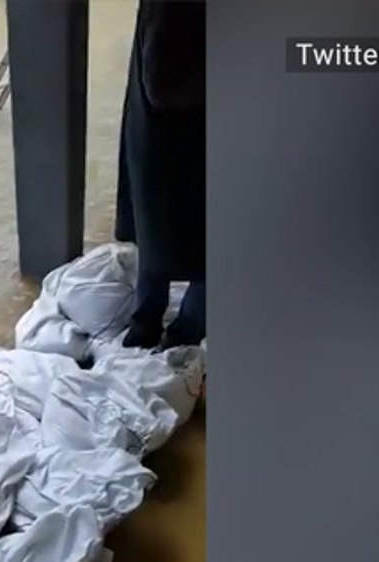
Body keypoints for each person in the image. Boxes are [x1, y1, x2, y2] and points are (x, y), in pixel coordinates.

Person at [115, 0, 206, 349]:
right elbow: (163, 87)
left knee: (158, 243)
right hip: (180, 152)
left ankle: (146, 332)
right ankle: (177, 340)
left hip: (167, 150)